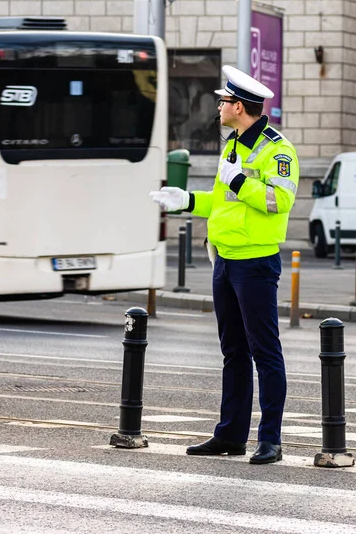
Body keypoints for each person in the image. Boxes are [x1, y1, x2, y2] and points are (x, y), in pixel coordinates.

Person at [150, 65, 299, 464]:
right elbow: (223, 199)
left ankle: (270, 439)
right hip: (225, 261)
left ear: (240, 106)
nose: (218, 106)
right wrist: (187, 201)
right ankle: (230, 435)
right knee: (233, 351)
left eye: (223, 101)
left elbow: (278, 201)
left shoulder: (277, 150)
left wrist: (239, 182)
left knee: (265, 351)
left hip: (255, 263)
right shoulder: (232, 145)